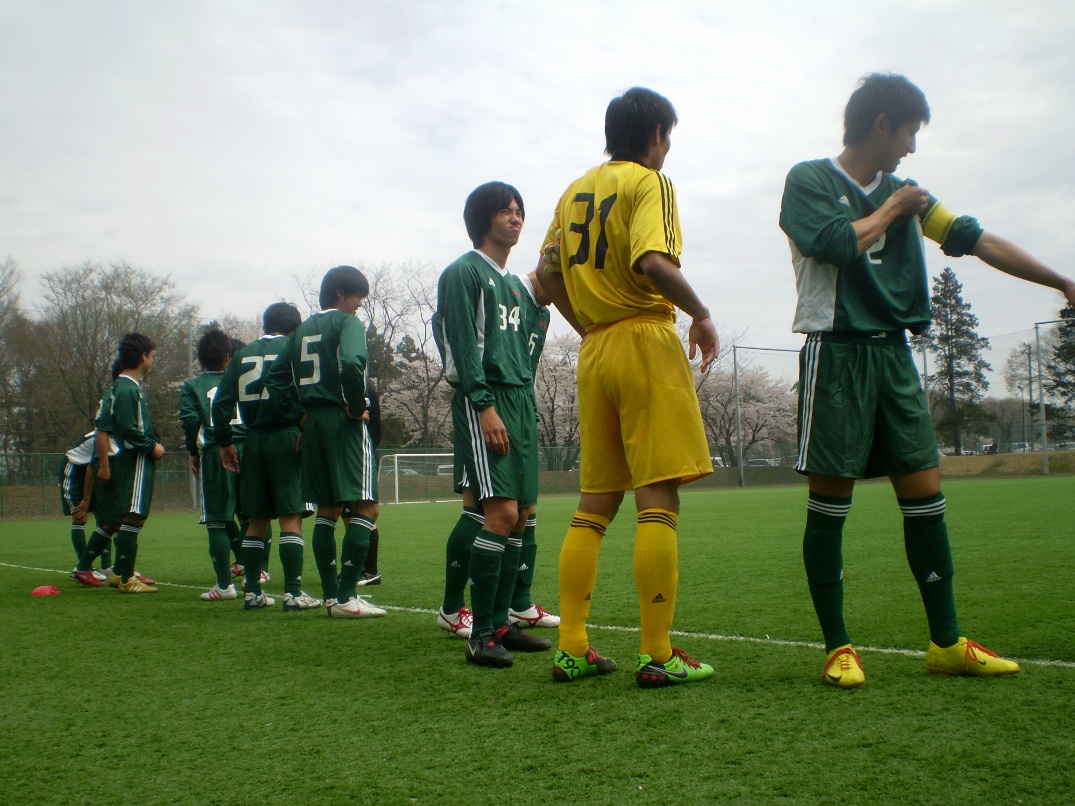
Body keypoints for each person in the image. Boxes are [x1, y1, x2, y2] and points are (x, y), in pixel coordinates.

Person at [778, 73, 1075, 688]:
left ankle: (946, 641)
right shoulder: (809, 179)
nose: (912, 147)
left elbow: (979, 238)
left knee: (925, 496)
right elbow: (834, 244)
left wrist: (1062, 282)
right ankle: (838, 647)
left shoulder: (911, 193)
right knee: (831, 505)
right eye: (910, 131)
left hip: (894, 358)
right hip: (835, 357)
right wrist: (892, 209)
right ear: (883, 123)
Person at [538, 87, 718, 688]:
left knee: (595, 502)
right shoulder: (650, 183)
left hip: (596, 351)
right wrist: (701, 312)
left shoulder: (574, 191)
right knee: (657, 497)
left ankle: (571, 646)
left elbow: (543, 274)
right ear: (658, 135)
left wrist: (586, 322)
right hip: (644, 338)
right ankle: (658, 653)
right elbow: (652, 262)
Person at [433, 181, 552, 667]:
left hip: (521, 401)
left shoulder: (512, 285)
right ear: (483, 218)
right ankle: (480, 634)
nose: (516, 218)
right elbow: (463, 346)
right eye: (505, 211)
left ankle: (502, 622)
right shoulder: (463, 272)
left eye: (520, 211)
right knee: (498, 514)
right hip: (488, 399)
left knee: (522, 516)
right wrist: (483, 406)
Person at [265, 265, 386, 619]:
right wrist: (354, 404)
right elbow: (351, 362)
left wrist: (299, 416)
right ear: (341, 295)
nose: (358, 308)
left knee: (327, 509)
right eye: (357, 300)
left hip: (313, 422)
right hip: (341, 421)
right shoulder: (347, 324)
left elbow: (275, 379)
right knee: (366, 507)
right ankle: (348, 596)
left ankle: (333, 596)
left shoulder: (300, 330)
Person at [212, 302, 322, 611]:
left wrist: (225, 442)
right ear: (295, 327)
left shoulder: (242, 355)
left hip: (253, 439)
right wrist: (304, 423)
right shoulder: (294, 348)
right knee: (290, 515)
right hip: (287, 436)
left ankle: (252, 592)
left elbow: (221, 403)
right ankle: (293, 592)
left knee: (256, 519)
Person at [71, 333, 165, 593]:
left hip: (118, 460)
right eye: (152, 354)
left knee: (113, 521)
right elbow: (125, 427)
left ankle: (98, 570)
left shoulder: (120, 389)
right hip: (132, 461)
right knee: (133, 515)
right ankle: (125, 578)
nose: (153, 359)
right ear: (143, 356)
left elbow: (105, 428)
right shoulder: (127, 389)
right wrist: (151, 446)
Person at [179, 328, 244, 601]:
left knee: (216, 520)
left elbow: (191, 422)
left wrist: (193, 452)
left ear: (200, 359)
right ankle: (255, 579)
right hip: (249, 449)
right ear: (228, 356)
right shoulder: (242, 380)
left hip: (218, 452)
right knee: (252, 517)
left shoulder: (192, 387)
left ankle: (224, 585)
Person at [357, 373, 382, 587]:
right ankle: (356, 568)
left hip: (360, 450)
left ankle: (370, 570)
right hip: (349, 450)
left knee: (366, 508)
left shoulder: (363, 381)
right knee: (351, 511)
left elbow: (375, 425)